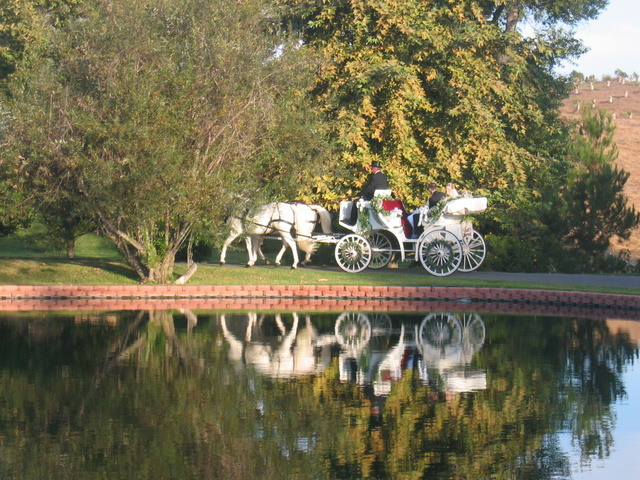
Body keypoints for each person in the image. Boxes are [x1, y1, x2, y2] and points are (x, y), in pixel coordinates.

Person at [347, 160, 389, 225]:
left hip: (372, 197)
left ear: (375, 168)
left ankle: (353, 221)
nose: (371, 169)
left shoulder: (374, 177)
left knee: (355, 202)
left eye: (372, 168)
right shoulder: (384, 176)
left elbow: (368, 188)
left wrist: (360, 194)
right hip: (381, 197)